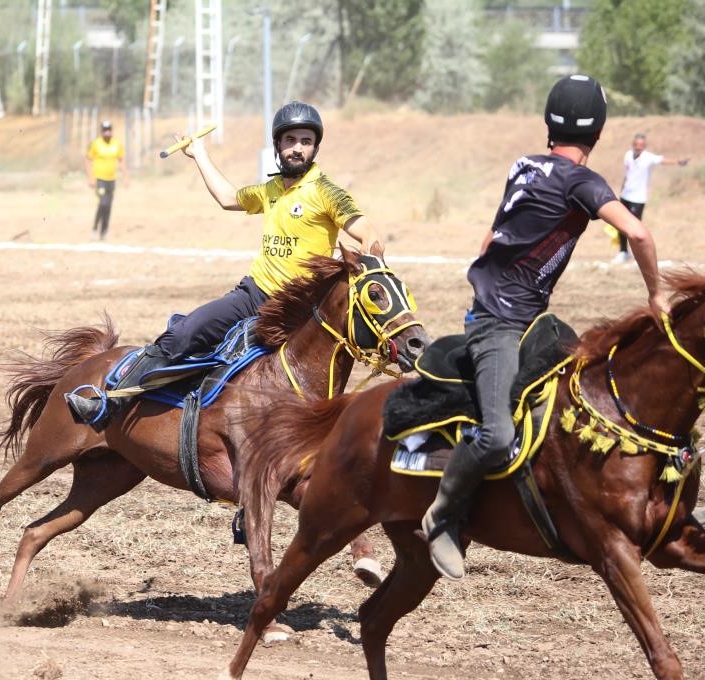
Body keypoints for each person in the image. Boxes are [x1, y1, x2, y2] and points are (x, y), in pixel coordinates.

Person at [420, 75, 672, 581]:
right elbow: (639, 233)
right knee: (495, 436)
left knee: (595, 403)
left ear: (548, 124)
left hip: (532, 320)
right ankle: (442, 516)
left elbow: (491, 237)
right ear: (599, 132)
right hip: (498, 325)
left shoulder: (524, 166)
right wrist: (656, 294)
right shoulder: (584, 183)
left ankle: (662, 506)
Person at [66, 100, 383, 426]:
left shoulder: (326, 192)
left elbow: (368, 233)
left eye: (305, 141)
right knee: (184, 333)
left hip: (299, 309)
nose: (297, 149)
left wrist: (366, 270)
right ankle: (111, 403)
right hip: (254, 295)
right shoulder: (272, 189)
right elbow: (228, 198)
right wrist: (200, 154)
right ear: (278, 144)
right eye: (290, 140)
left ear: (315, 147)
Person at [612, 132, 688, 265]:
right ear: (633, 145)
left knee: (635, 228)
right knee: (621, 225)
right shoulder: (628, 155)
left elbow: (663, 160)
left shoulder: (648, 157)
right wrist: (621, 191)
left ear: (644, 146)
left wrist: (678, 162)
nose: (638, 147)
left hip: (638, 198)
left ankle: (638, 255)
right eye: (636, 144)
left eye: (641, 145)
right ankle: (623, 252)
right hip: (625, 195)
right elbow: (627, 174)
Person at [86, 120, 129, 240]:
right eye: (105, 130)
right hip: (99, 179)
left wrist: (126, 177)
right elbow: (88, 159)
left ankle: (104, 231)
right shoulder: (96, 144)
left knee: (109, 206)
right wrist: (90, 177)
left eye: (109, 129)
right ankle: (95, 228)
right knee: (103, 203)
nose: (107, 132)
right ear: (101, 131)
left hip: (112, 180)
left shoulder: (116, 144)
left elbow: (121, 160)